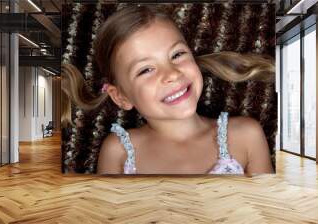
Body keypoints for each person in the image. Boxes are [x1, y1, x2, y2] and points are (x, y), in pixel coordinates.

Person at [62, 5, 275, 175]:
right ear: (121, 97)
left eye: (177, 55)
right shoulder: (118, 151)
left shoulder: (246, 136)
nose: (172, 73)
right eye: (145, 69)